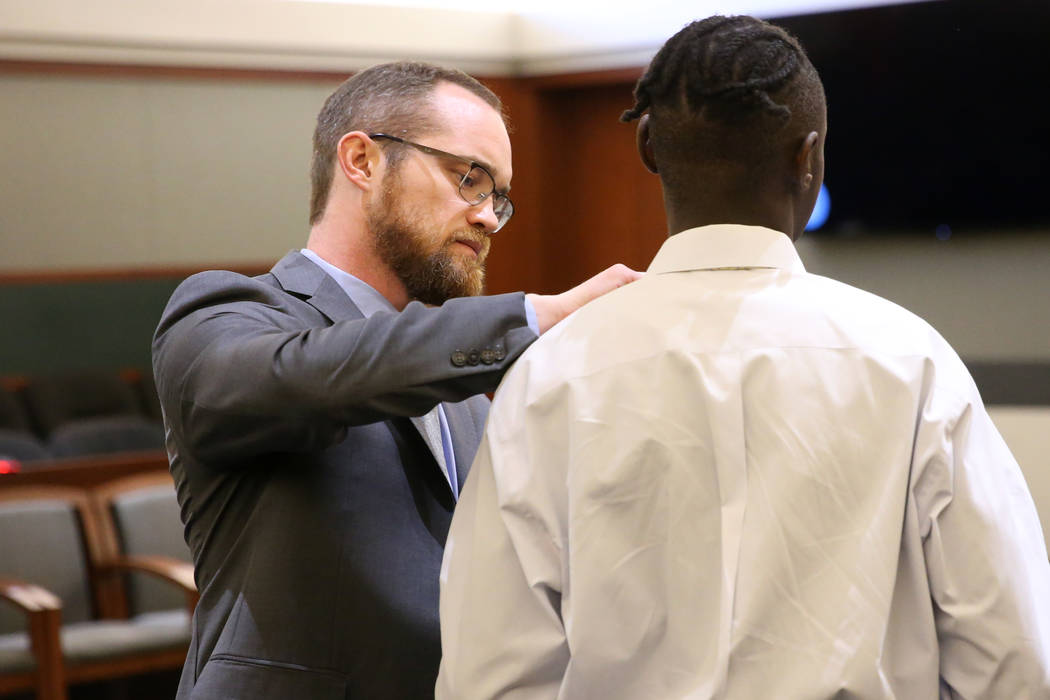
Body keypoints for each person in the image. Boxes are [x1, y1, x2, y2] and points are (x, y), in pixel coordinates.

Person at [436, 15, 1050, 699]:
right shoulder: (914, 365)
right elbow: (1012, 660)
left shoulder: (549, 378)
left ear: (646, 145)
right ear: (808, 156)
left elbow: (488, 674)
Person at [152, 61, 640, 700]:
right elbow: (309, 373)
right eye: (469, 178)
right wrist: (533, 315)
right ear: (362, 160)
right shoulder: (226, 313)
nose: (489, 217)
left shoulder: (462, 391)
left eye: (499, 196)